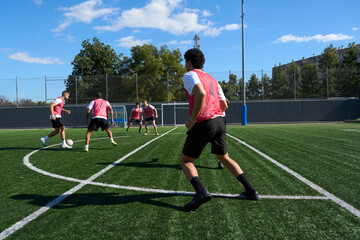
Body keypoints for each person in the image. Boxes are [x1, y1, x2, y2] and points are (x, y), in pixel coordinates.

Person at [181, 48, 258, 212]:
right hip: (220, 121)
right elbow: (224, 105)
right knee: (224, 158)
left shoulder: (189, 75)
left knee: (186, 160)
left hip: (204, 122)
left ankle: (201, 192)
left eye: (184, 62)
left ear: (188, 62)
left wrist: (193, 119)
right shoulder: (213, 80)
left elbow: (200, 93)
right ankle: (251, 190)